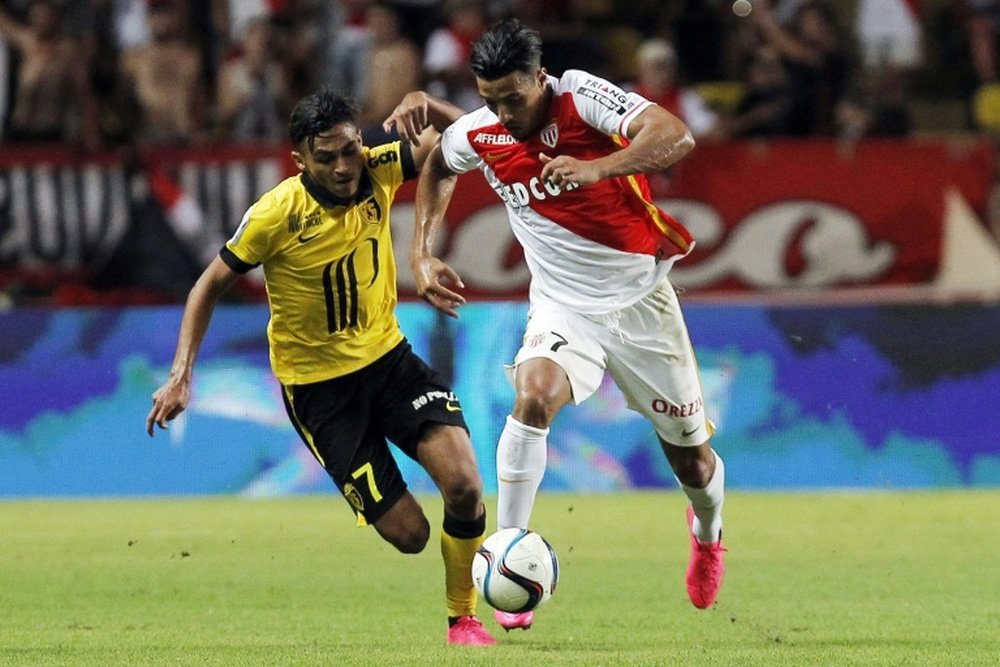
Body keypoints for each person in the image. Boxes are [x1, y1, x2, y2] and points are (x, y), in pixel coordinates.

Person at [145, 88, 497, 647]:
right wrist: (182, 372)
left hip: (389, 361)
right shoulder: (275, 215)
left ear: (362, 143)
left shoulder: (380, 168)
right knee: (410, 535)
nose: (342, 167)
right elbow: (208, 284)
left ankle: (464, 618)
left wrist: (431, 104)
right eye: (326, 157)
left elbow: (473, 142)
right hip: (320, 392)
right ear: (300, 161)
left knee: (464, 486)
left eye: (350, 150)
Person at [406, 19, 727, 632]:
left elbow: (675, 135)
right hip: (562, 305)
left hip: (640, 301)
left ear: (539, 76)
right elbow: (440, 167)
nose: (502, 113)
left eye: (513, 98)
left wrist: (599, 169)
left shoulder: (580, 94)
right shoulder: (483, 129)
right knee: (532, 398)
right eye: (490, 100)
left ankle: (708, 535)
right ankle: (505, 555)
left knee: (694, 464)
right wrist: (421, 251)